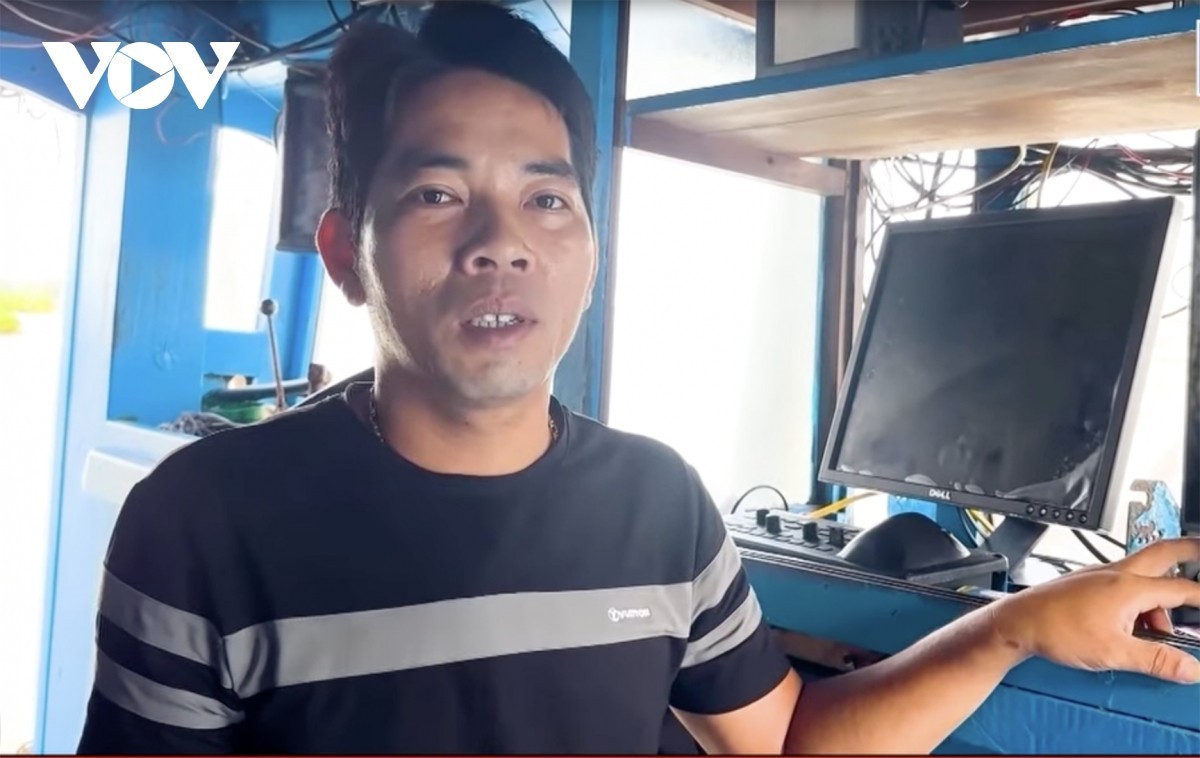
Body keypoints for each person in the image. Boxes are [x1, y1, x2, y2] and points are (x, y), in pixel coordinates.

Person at [76, 1, 1200, 753]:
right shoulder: (204, 522)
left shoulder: (658, 504)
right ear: (343, 254)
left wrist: (1017, 626)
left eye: (545, 198)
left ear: (592, 250)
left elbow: (782, 741)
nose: (500, 243)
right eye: (436, 194)